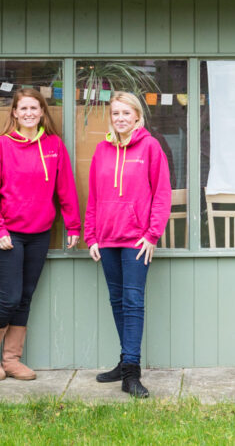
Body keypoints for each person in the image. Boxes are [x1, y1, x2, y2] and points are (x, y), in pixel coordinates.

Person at [0, 88, 80, 380]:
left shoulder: (53, 145)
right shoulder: (1, 146)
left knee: (25, 297)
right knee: (9, 298)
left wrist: (73, 225)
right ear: (14, 112)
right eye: (23, 108)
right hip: (7, 233)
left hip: (39, 233)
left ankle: (11, 360)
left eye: (34, 108)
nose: (28, 113)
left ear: (42, 112)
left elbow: (65, 188)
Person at [85, 91, 171, 398]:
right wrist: (91, 235)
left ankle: (131, 373)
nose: (120, 118)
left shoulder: (150, 147)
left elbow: (162, 194)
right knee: (117, 301)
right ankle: (125, 363)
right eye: (115, 113)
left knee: (133, 303)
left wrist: (152, 235)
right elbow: (94, 196)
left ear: (137, 116)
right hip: (107, 239)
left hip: (136, 240)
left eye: (126, 113)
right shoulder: (102, 150)